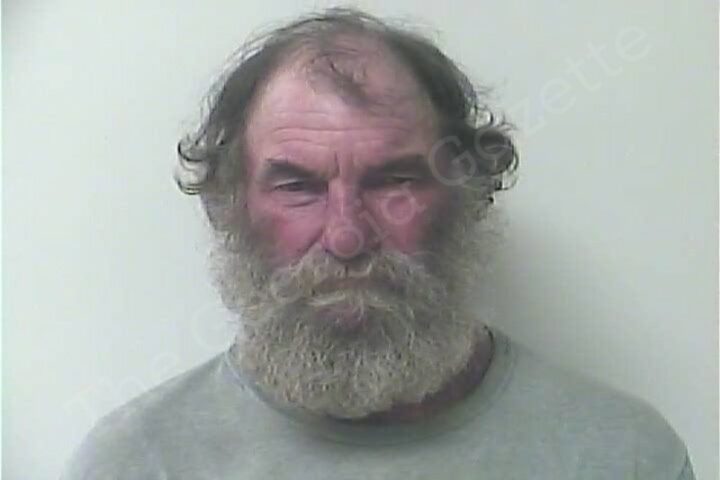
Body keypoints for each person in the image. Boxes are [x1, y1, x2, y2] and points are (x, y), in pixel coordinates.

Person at [62, 8, 695, 479]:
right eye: (298, 187)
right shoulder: (135, 464)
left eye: (395, 181)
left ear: (466, 192)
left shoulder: (621, 455)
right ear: (231, 205)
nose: (346, 236)